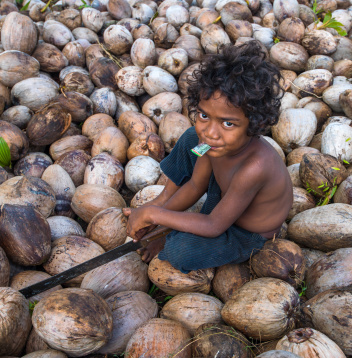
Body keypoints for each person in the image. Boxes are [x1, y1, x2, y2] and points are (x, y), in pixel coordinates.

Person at [123, 41, 293, 273]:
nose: (211, 132)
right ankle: (162, 202)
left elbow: (214, 225)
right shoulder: (207, 144)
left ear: (255, 124)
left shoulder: (254, 168)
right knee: (191, 136)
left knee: (180, 252)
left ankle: (168, 231)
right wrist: (157, 217)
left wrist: (155, 216)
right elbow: (195, 184)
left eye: (228, 123)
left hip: (244, 233)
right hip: (223, 196)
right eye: (204, 115)